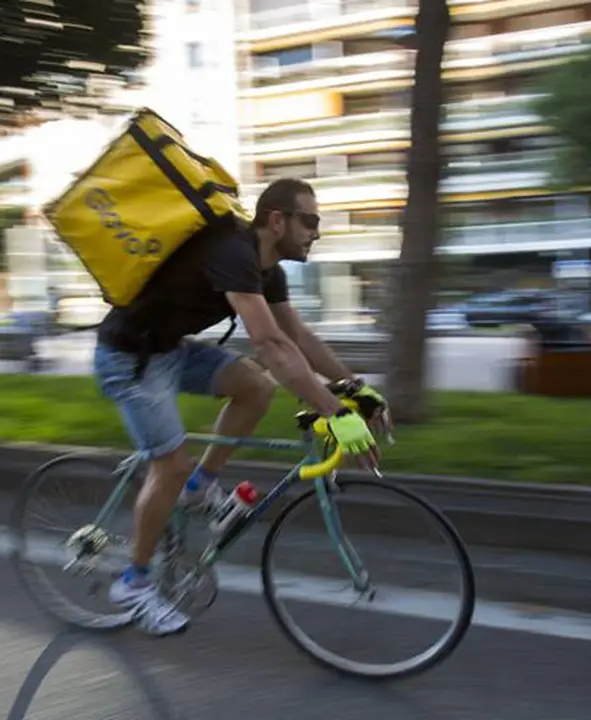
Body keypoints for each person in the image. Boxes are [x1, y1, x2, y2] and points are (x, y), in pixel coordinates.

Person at [92, 177, 389, 636]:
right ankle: (133, 582)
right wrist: (334, 410)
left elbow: (297, 337)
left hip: (171, 351)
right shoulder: (234, 254)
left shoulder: (270, 270)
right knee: (168, 466)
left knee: (256, 388)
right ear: (277, 220)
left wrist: (354, 387)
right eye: (310, 221)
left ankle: (200, 487)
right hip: (128, 359)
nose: (317, 232)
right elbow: (270, 343)